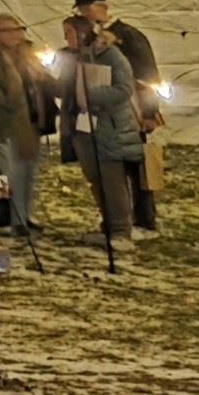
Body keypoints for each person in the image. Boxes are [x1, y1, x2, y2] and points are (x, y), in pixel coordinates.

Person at [74, 0, 162, 231]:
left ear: (97, 7)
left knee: (137, 166)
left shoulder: (128, 35)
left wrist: (149, 112)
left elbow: (148, 75)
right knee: (115, 166)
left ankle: (145, 218)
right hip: (109, 111)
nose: (83, 14)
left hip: (133, 108)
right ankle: (120, 215)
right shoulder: (92, 37)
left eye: (85, 9)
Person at [58, 13, 140, 249]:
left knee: (112, 179)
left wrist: (90, 95)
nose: (66, 38)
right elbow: (66, 89)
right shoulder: (72, 58)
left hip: (108, 126)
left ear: (83, 32)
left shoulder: (111, 55)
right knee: (96, 179)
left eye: (69, 33)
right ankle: (108, 226)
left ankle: (121, 231)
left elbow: (124, 89)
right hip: (82, 128)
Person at [0, 14, 57, 236]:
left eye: (17, 30)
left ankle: (25, 216)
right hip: (6, 123)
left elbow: (46, 82)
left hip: (31, 120)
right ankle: (15, 219)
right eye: (8, 31)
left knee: (29, 171)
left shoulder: (29, 56)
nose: (15, 35)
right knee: (12, 171)